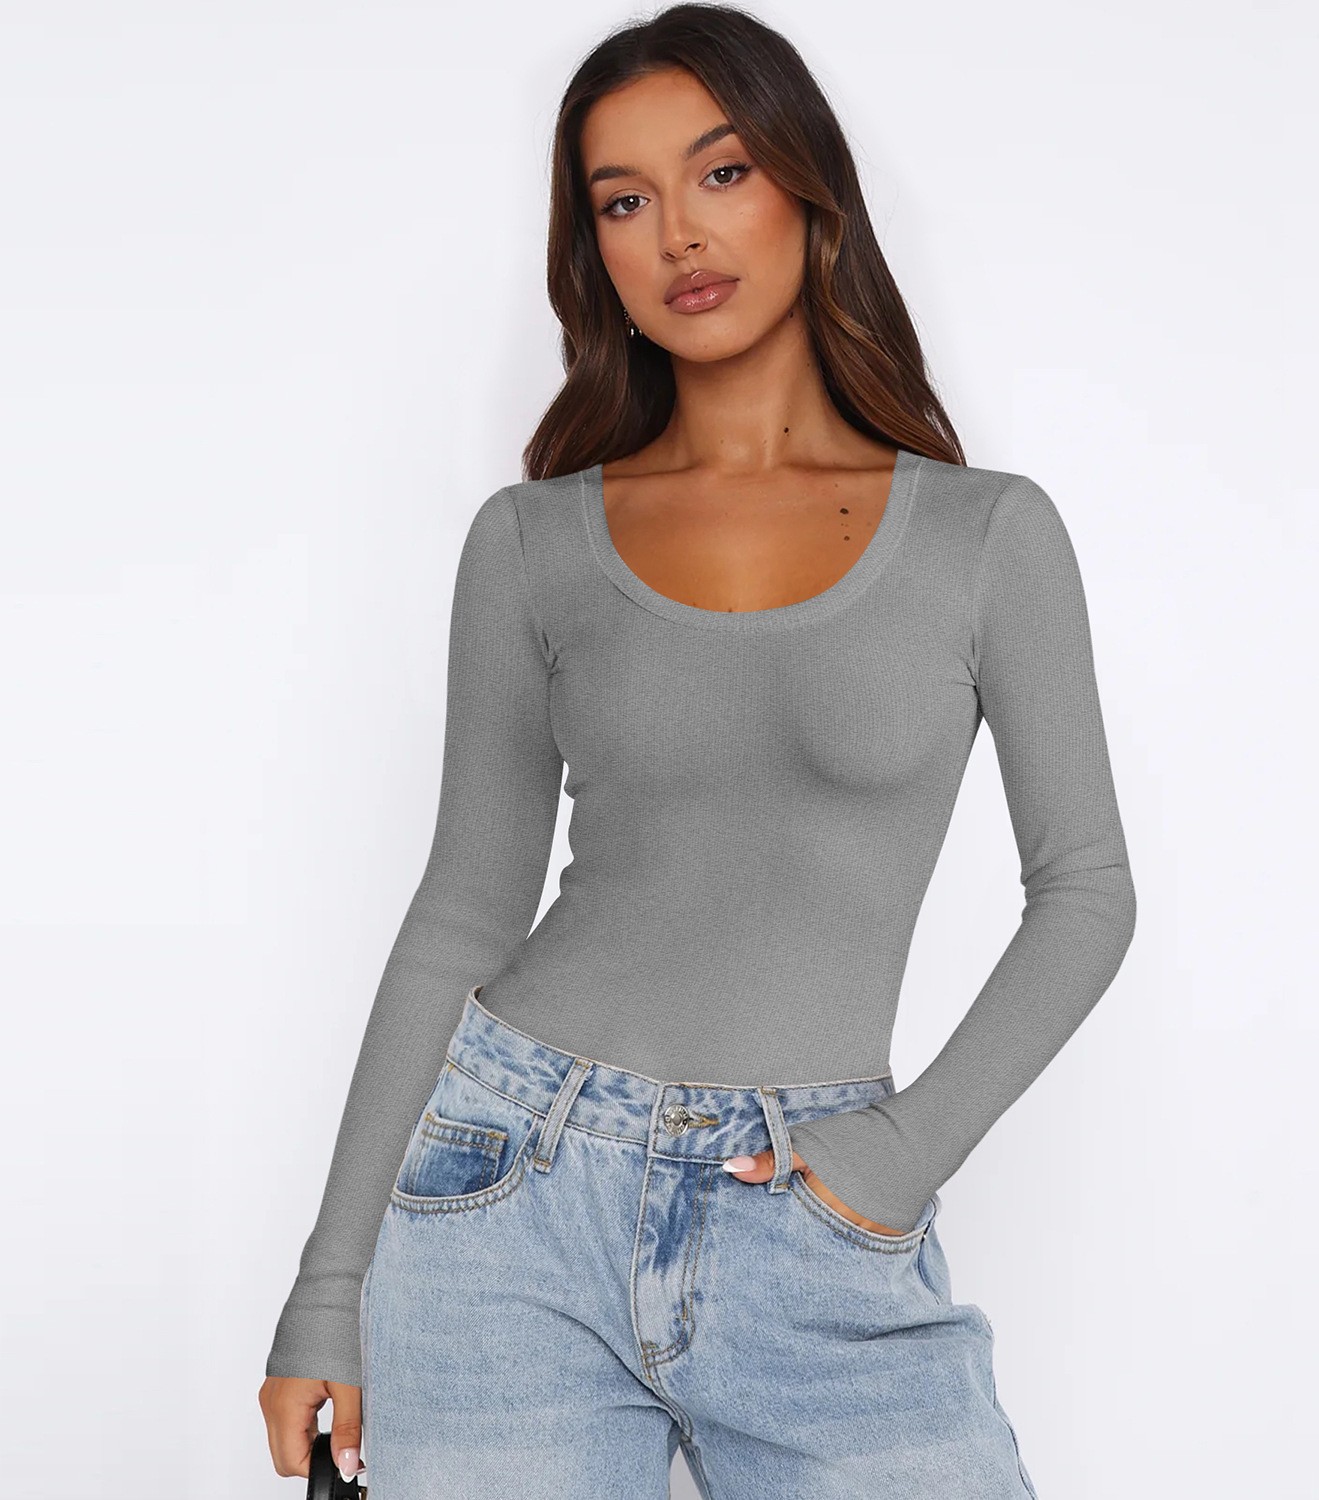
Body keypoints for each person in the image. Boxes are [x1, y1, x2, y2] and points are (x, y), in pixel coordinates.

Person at [259, 5, 1136, 1495]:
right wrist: (328, 1286)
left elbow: (1087, 894)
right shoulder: (529, 543)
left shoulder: (987, 536)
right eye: (624, 200)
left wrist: (900, 1157)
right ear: (590, 248)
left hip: (817, 1214)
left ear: (810, 189)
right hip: (509, 1191)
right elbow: (464, 909)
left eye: (722, 173)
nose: (678, 233)